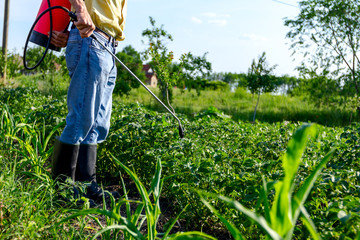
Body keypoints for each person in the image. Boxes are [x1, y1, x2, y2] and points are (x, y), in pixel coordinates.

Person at [50, 0, 127, 201]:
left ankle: (86, 184)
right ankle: (62, 190)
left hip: (108, 45)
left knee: (98, 123)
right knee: (82, 118)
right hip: (91, 40)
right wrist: (80, 8)